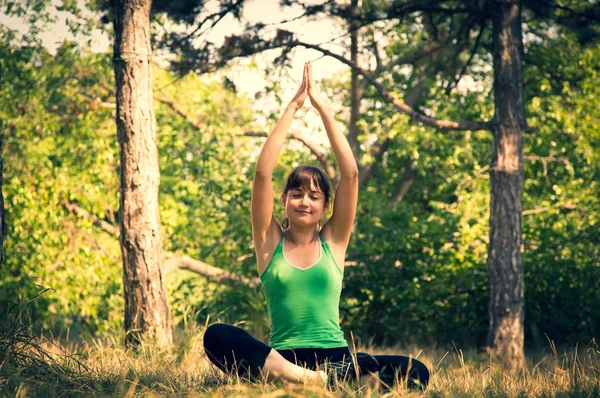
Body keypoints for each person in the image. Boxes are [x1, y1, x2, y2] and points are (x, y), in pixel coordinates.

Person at [203, 61, 429, 390]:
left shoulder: (333, 243)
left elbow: (350, 174)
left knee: (416, 370)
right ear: (284, 200)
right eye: (296, 194)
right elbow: (262, 174)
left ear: (325, 207)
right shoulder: (269, 243)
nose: (304, 201)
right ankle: (317, 382)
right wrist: (293, 107)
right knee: (217, 336)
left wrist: (322, 106)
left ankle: (327, 382)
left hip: (338, 360)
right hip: (284, 359)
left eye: (314, 195)